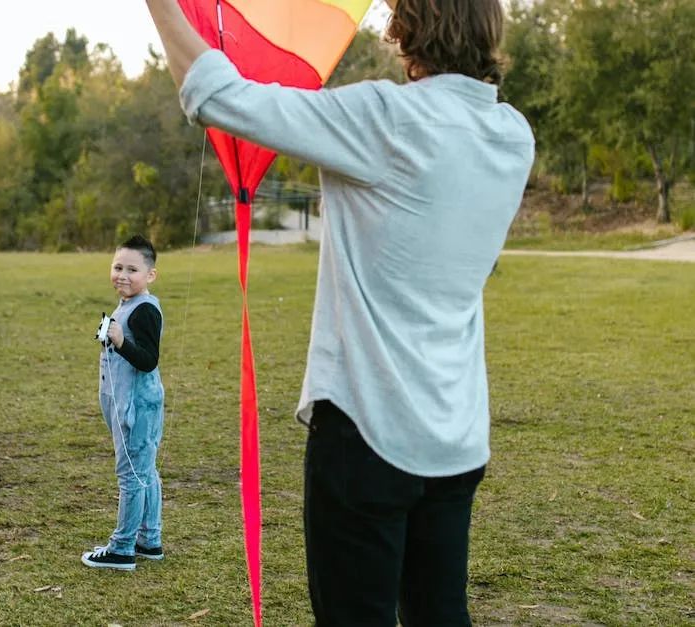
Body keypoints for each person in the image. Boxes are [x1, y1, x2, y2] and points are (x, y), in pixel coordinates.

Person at [147, 0, 534, 623]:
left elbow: (219, 95)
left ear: (407, 27)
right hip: (456, 439)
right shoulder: (513, 136)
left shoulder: (384, 117)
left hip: (366, 433)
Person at [82, 234, 166, 571]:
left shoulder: (145, 309)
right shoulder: (129, 303)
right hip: (124, 404)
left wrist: (119, 341)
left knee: (133, 474)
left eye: (132, 269)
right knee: (144, 470)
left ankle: (122, 548)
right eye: (118, 267)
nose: (123, 275)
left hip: (137, 407)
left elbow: (148, 360)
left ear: (150, 275)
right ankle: (150, 538)